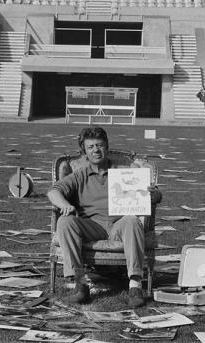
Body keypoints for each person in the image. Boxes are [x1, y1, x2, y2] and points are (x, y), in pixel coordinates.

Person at [47, 126, 162, 307]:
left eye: (99, 145)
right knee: (65, 221)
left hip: (119, 225)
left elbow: (155, 196)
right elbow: (54, 191)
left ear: (106, 147)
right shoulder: (79, 175)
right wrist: (65, 205)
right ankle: (80, 285)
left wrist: (153, 195)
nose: (96, 150)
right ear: (84, 151)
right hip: (91, 226)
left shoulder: (124, 172)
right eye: (91, 147)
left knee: (132, 220)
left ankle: (135, 286)